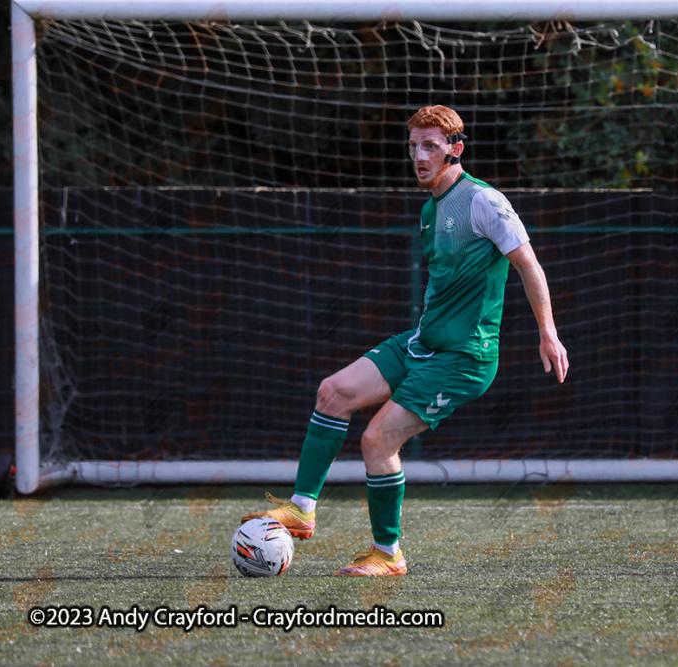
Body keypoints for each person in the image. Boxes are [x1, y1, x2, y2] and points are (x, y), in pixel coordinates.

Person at [242, 105, 568, 576]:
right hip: (423, 343)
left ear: (455, 150)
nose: (419, 155)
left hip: (463, 358)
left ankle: (388, 555)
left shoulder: (484, 201)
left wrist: (548, 334)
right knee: (333, 392)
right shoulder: (430, 206)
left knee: (377, 439)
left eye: (431, 146)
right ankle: (301, 509)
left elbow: (529, 265)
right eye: (414, 145)